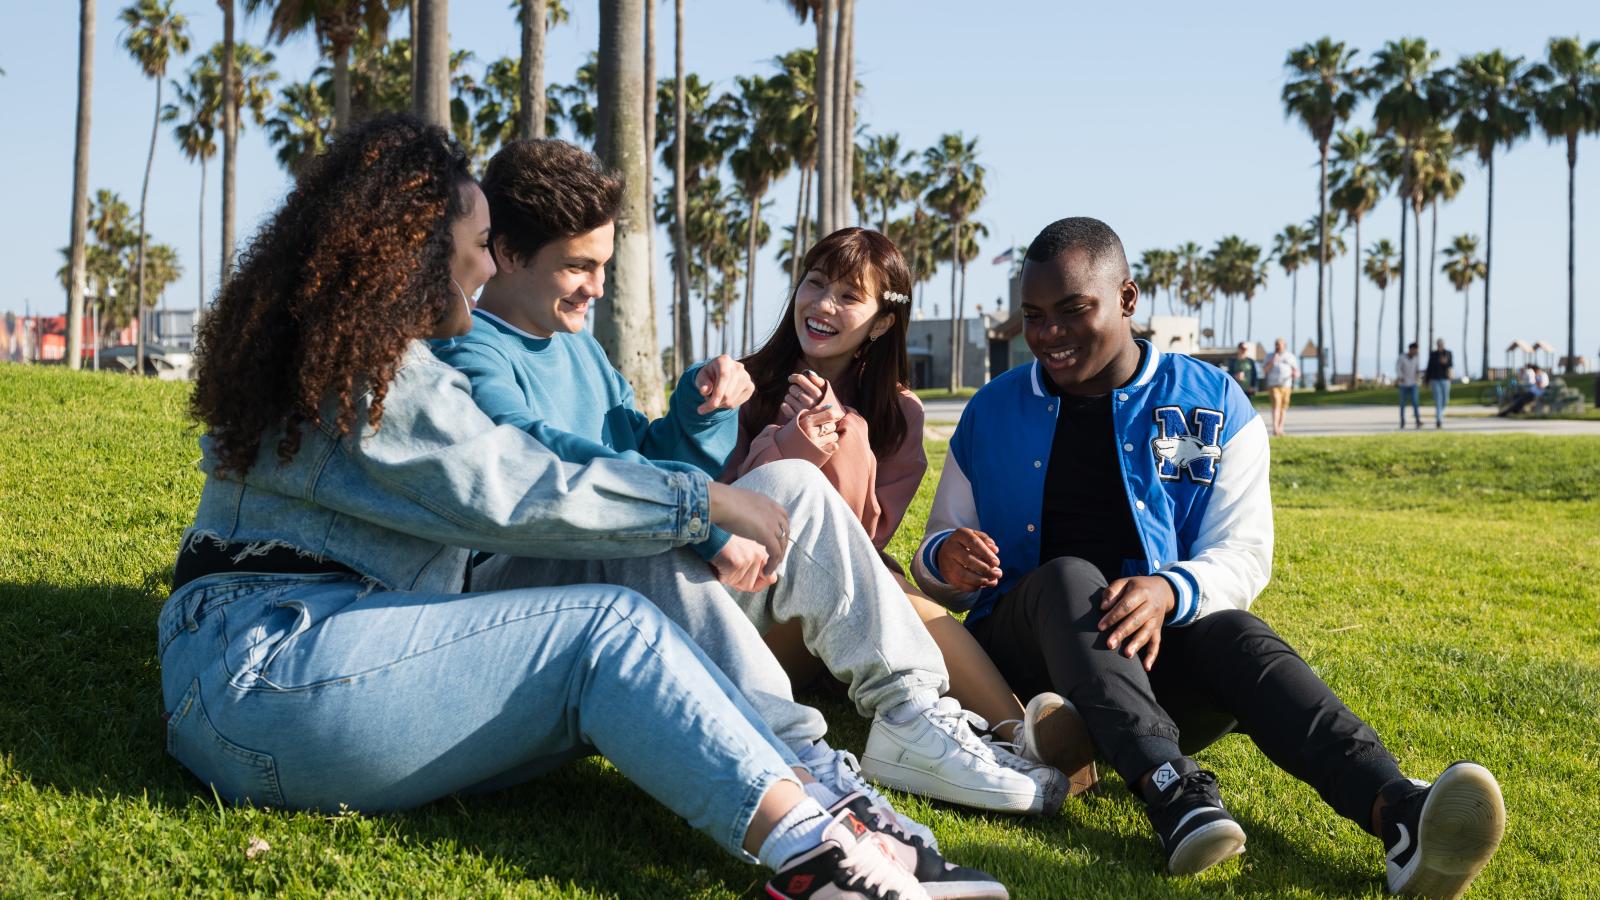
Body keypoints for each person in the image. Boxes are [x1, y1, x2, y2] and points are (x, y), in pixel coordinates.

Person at [160, 115, 983, 900]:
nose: (486, 267)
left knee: (633, 561)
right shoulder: (366, 374)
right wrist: (704, 505)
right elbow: (512, 484)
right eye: (478, 245)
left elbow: (552, 482)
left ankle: (824, 793)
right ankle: (816, 858)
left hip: (339, 658)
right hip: (262, 678)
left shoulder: (392, 359)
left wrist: (688, 496)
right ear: (413, 255)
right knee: (606, 625)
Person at [432, 138, 1064, 822]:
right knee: (663, 522)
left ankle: (911, 717)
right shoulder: (469, 352)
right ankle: (798, 759)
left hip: (633, 570)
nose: (599, 287)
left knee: (793, 483)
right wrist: (701, 517)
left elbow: (643, 450)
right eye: (579, 267)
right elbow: (551, 468)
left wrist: (698, 415)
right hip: (526, 594)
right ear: (510, 252)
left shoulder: (578, 347)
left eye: (604, 265)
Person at [910, 217, 1505, 893]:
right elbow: (936, 558)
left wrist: (1168, 591)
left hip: (1152, 664)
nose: (1048, 334)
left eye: (1073, 310)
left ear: (1128, 300)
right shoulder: (992, 410)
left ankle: (1398, 811)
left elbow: (1245, 554)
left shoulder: (1214, 403)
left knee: (1239, 636)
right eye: (1034, 317)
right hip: (1025, 667)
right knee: (1073, 579)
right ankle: (1172, 789)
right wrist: (944, 558)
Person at [726, 227, 1098, 797]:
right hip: (749, 621)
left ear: (880, 321)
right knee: (886, 581)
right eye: (815, 283)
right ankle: (1013, 729)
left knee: (885, 576)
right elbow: (733, 525)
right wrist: (807, 440)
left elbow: (856, 536)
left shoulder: (899, 414)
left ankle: (1022, 737)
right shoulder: (743, 385)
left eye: (850, 296)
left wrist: (843, 430)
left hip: (843, 624)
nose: (822, 305)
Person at [1261, 338, 1299, 437]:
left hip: (1286, 385)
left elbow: (1296, 370)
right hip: (1273, 385)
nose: (1278, 346)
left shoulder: (1290, 357)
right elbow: (1264, 370)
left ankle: (1280, 427)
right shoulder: (1269, 356)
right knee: (1276, 405)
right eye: (1276, 344)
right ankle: (1275, 428)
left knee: (1283, 407)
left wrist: (1296, 374)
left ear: (1284, 345)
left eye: (1279, 345)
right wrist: (1272, 361)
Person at [1424, 339, 1453, 429]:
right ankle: (1438, 420)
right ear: (1437, 345)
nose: (1440, 346)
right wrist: (1426, 380)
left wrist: (1446, 362)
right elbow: (1429, 367)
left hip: (1445, 380)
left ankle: (1439, 415)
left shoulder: (1448, 353)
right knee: (1438, 401)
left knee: (1445, 400)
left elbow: (1451, 365)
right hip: (1434, 380)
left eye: (1441, 344)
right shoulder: (1433, 354)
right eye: (1439, 344)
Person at [1395, 343, 1422, 429]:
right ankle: (1402, 421)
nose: (1416, 351)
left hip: (1413, 383)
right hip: (1403, 384)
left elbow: (1417, 369)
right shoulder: (1402, 357)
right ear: (1410, 349)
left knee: (1415, 402)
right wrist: (1400, 377)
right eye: (1415, 350)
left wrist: (1418, 376)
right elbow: (1398, 368)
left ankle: (1418, 420)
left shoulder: (1416, 358)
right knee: (1403, 403)